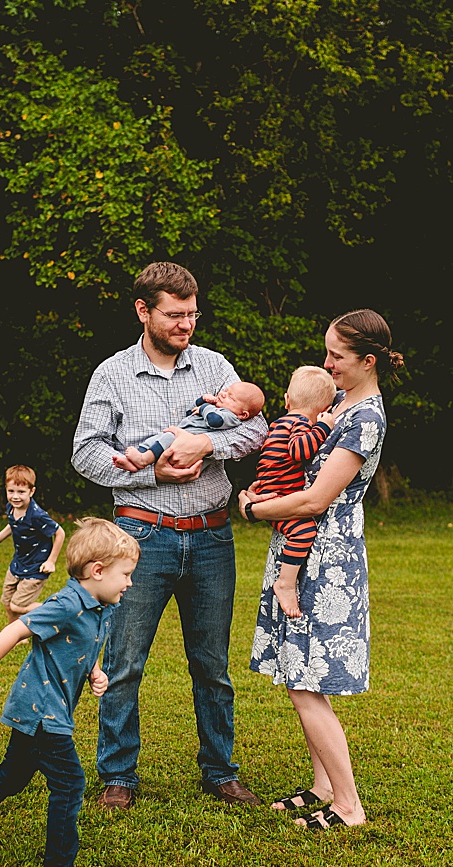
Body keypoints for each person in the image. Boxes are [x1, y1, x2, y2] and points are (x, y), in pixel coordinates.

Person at [72, 261, 268, 810]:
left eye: (193, 314)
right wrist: (149, 471)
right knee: (125, 662)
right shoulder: (111, 374)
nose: (187, 325)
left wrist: (209, 446)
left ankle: (220, 772)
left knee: (212, 665)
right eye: (175, 315)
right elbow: (85, 453)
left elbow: (256, 427)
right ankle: (118, 777)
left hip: (211, 538)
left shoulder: (213, 367)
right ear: (144, 311)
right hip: (139, 539)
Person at [239, 309, 404, 829]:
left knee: (305, 683)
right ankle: (322, 785)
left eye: (337, 356)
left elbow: (316, 499)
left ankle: (348, 805)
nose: (326, 363)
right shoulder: (337, 402)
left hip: (323, 556)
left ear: (368, 361)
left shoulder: (366, 418)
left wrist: (253, 509)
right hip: (300, 548)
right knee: (301, 676)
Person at [0, 518, 139, 867]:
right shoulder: (66, 604)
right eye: (125, 574)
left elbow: (86, 644)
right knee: (71, 783)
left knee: (12, 775)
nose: (129, 582)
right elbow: (16, 630)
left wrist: (95, 672)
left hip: (47, 707)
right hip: (42, 710)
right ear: (97, 571)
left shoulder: (100, 605)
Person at [251, 365, 338, 619]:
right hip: (278, 496)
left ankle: (286, 582)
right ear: (322, 411)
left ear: (287, 399)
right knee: (304, 531)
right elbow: (299, 451)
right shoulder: (299, 424)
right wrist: (323, 428)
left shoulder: (280, 422)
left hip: (269, 490)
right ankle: (285, 583)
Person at [112, 381, 266, 472]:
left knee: (168, 437)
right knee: (157, 438)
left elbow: (214, 421)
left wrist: (206, 407)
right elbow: (190, 412)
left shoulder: (231, 417)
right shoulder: (217, 407)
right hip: (182, 434)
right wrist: (201, 401)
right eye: (226, 390)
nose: (224, 394)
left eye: (230, 397)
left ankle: (144, 459)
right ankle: (133, 462)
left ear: (243, 414)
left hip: (188, 444)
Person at [0, 465, 65, 622]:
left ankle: (60, 611)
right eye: (11, 491)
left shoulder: (37, 515)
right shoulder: (12, 508)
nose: (15, 497)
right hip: (19, 562)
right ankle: (15, 636)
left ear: (32, 492)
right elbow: (13, 524)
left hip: (36, 566)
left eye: (21, 492)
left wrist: (51, 561)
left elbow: (60, 533)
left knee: (17, 606)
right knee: (7, 602)